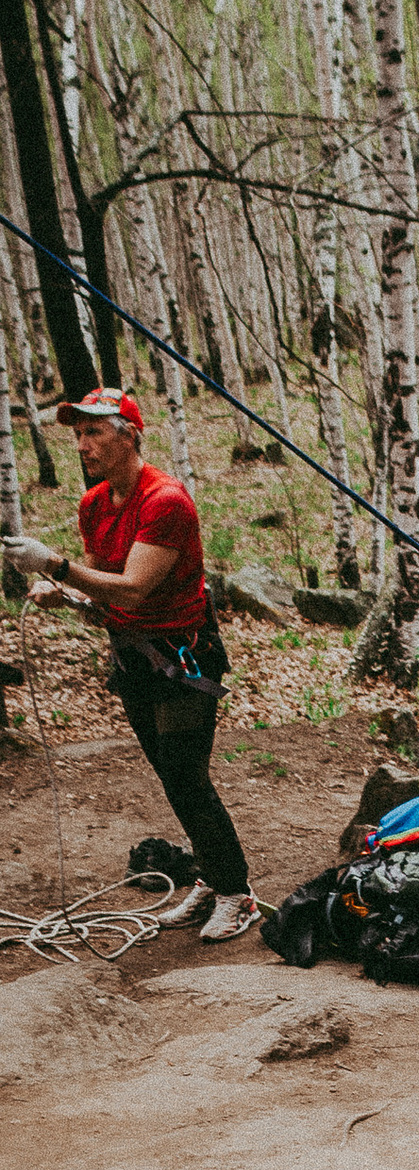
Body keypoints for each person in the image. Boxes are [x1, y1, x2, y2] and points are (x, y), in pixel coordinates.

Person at [3, 389, 257, 941]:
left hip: (183, 657)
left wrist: (54, 564)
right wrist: (66, 592)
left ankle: (237, 893)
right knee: (172, 774)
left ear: (130, 436)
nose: (83, 444)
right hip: (134, 658)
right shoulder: (95, 504)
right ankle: (213, 880)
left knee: (186, 775)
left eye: (94, 432)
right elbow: (108, 597)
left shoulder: (165, 501)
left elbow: (137, 589)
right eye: (77, 433)